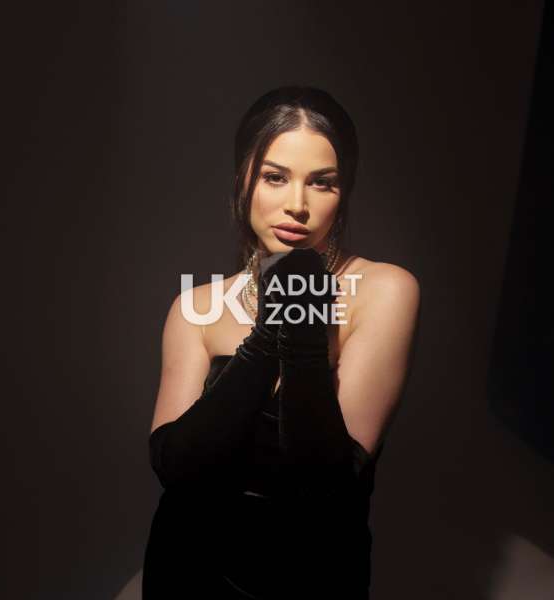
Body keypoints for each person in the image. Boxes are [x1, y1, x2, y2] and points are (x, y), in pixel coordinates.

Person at [142, 85, 421, 599]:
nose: (297, 205)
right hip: (186, 574)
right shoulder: (195, 307)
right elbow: (177, 469)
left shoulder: (384, 290)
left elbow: (325, 482)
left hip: (309, 583)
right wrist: (270, 330)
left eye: (322, 183)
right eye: (275, 177)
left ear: (344, 192)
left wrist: (301, 313)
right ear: (243, 178)